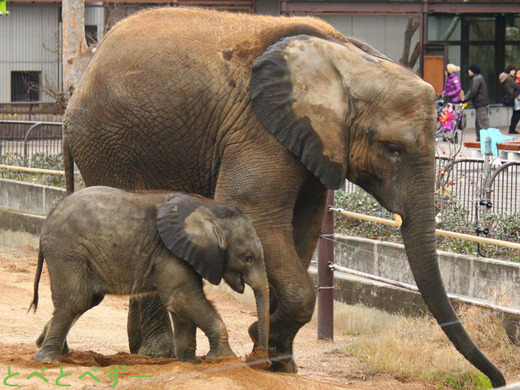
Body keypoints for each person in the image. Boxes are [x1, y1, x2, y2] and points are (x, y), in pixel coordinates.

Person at [461, 64, 490, 142]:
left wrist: (465, 99)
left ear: (473, 71)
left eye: (469, 70)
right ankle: (480, 138)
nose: (468, 72)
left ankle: (487, 140)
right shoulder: (479, 77)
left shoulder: (477, 79)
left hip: (481, 104)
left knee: (483, 123)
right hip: (481, 104)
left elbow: (473, 91)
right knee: (479, 122)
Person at [500, 64, 520, 134]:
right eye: (512, 70)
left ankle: (512, 129)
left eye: (514, 70)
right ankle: (512, 129)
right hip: (515, 98)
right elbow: (517, 86)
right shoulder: (509, 79)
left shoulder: (507, 78)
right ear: (508, 71)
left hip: (513, 97)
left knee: (515, 113)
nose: (513, 71)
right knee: (517, 113)